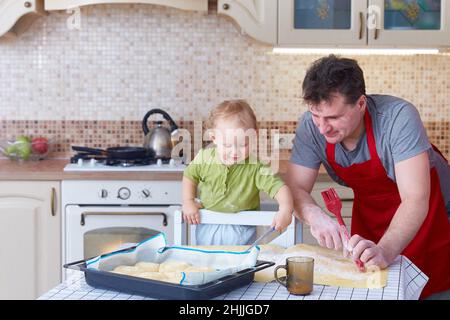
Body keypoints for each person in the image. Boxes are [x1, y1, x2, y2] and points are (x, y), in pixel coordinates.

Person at [286, 55, 450, 299]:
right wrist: (314, 215)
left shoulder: (398, 118)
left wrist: (385, 249)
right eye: (315, 115)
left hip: (430, 215)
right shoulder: (311, 127)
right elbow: (295, 187)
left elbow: (416, 199)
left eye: (333, 118)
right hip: (371, 215)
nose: (322, 128)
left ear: (361, 104)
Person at [182, 99, 293, 246]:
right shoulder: (204, 158)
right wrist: (188, 201)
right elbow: (189, 177)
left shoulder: (256, 167)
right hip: (208, 225)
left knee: (242, 267)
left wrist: (285, 209)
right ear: (214, 138)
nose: (235, 152)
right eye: (227, 145)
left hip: (242, 230)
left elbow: (280, 188)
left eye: (243, 144)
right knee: (208, 263)